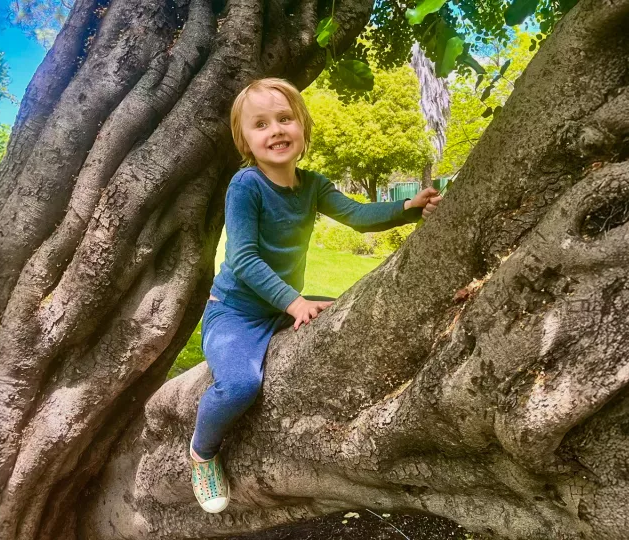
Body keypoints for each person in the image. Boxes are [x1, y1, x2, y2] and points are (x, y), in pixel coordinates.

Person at [188, 78, 442, 513]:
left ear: (302, 127)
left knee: (359, 312)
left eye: (285, 118)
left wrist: (406, 208)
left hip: (283, 304)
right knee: (239, 384)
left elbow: (358, 215)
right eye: (261, 124)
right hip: (235, 313)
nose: (276, 130)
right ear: (245, 140)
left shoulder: (312, 186)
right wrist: (294, 303)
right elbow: (245, 260)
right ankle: (201, 454)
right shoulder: (246, 186)